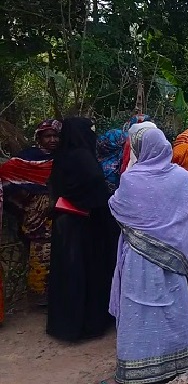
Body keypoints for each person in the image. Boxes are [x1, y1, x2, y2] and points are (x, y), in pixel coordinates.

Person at [108, 127, 188, 384]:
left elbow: (116, 206)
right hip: (172, 263)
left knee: (138, 310)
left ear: (139, 148)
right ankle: (175, 363)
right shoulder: (179, 178)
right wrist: (181, 238)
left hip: (137, 261)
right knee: (171, 308)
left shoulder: (131, 179)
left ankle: (138, 369)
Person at [47, 117, 119, 341]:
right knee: (88, 272)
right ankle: (89, 323)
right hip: (86, 225)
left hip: (64, 222)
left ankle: (65, 324)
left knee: (67, 273)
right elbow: (95, 183)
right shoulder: (83, 157)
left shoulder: (61, 156)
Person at [0, 119, 60, 304]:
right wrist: (22, 202)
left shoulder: (65, 157)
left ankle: (55, 294)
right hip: (35, 217)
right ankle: (38, 295)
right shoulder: (26, 158)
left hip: (57, 215)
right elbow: (6, 178)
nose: (53, 140)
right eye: (47, 136)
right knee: (40, 254)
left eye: (56, 136)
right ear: (39, 138)